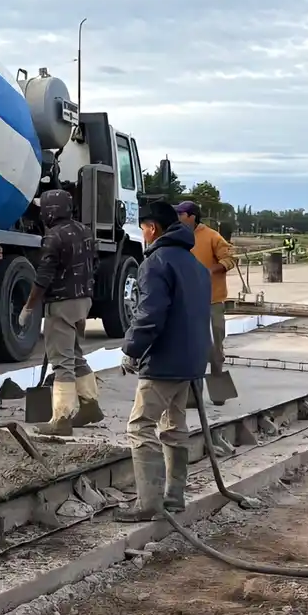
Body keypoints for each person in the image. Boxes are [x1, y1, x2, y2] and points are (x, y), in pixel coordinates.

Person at [116, 200, 212, 523]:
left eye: (143, 228)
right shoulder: (195, 265)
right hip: (189, 363)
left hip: (163, 362)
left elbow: (149, 316)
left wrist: (131, 350)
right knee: (173, 427)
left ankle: (148, 504)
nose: (142, 234)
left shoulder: (155, 263)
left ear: (152, 228)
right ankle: (174, 497)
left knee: (140, 426)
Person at [18, 189, 101, 435]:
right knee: (75, 355)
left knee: (61, 361)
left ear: (51, 210)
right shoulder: (84, 230)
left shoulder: (53, 237)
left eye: (43, 208)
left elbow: (43, 277)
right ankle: (90, 405)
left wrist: (28, 307)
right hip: (83, 299)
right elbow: (94, 263)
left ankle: (62, 419)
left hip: (62, 303)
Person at [175, 201, 236, 402]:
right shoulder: (177, 236)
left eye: (181, 213)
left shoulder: (212, 237)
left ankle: (219, 391)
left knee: (215, 349)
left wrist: (209, 271)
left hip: (212, 301)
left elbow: (229, 260)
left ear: (192, 216)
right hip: (187, 303)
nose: (178, 216)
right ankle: (192, 397)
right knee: (190, 349)